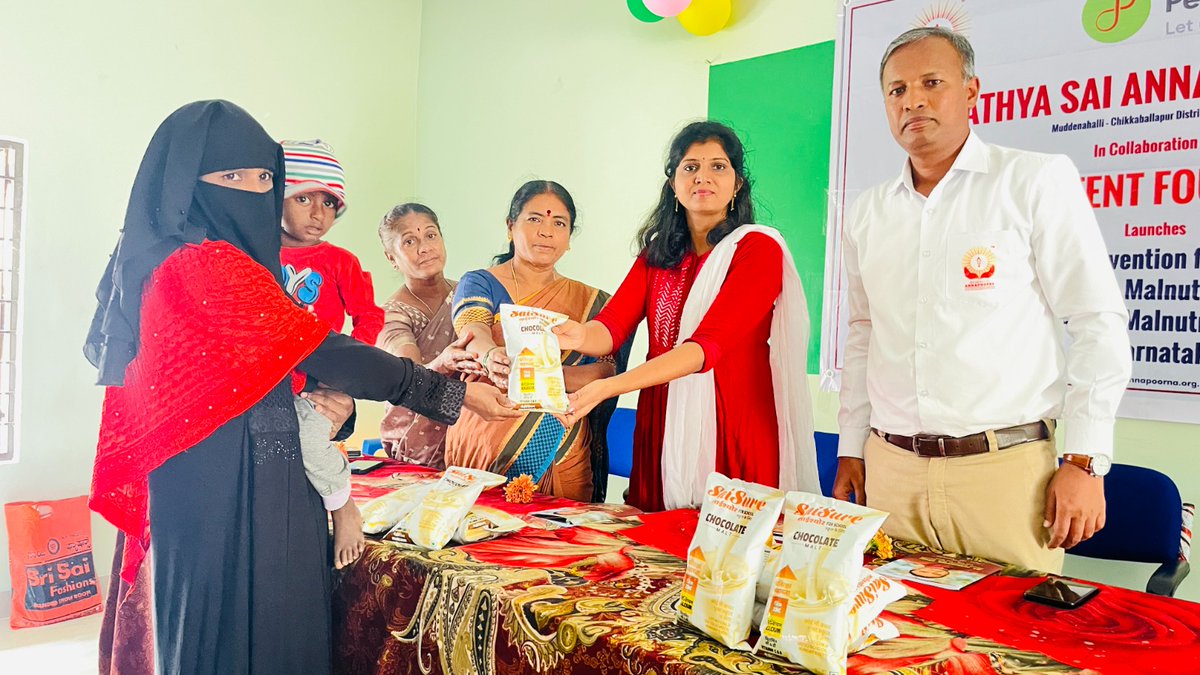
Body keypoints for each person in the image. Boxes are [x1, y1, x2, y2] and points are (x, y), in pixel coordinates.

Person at [85, 100, 518, 675]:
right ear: (188, 183)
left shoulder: (203, 261)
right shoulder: (200, 263)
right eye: (232, 177)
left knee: (270, 627)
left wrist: (393, 382)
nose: (253, 190)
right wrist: (448, 395)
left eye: (264, 177)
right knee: (228, 632)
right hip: (217, 483)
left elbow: (266, 357)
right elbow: (316, 348)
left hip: (260, 464)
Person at [832, 28, 1131, 573]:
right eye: (897, 90)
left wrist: (1085, 461)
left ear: (971, 92)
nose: (913, 100)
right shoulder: (867, 213)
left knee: (1010, 648)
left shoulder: (1033, 181)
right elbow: (863, 333)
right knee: (892, 642)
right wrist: (851, 445)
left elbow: (1096, 321)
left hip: (1004, 473)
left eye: (931, 83)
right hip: (891, 472)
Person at [554, 121, 820, 511]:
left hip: (734, 422)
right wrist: (575, 336)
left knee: (729, 553)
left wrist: (609, 388)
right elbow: (611, 327)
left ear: (737, 184)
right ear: (673, 184)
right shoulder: (659, 254)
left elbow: (704, 349)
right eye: (690, 167)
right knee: (657, 560)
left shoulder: (758, 249)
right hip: (663, 421)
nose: (703, 177)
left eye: (718, 166)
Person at [446, 180, 617, 502]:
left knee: (553, 545)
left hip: (561, 440)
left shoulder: (593, 301)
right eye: (535, 219)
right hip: (487, 429)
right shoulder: (481, 281)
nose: (546, 231)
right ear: (511, 227)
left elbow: (606, 370)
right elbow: (472, 330)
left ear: (569, 238)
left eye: (559, 223)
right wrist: (491, 355)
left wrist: (541, 376)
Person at [277, 140, 381, 569]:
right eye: (303, 198)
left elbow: (369, 317)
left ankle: (342, 506)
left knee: (308, 440)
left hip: (317, 382)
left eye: (329, 202)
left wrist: (346, 376)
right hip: (266, 383)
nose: (318, 213)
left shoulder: (341, 261)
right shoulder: (255, 255)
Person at [376, 203, 482, 467]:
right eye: (409, 241)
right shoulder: (391, 315)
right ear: (391, 257)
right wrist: (443, 363)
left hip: (474, 436)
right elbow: (410, 376)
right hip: (416, 444)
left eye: (431, 235)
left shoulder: (470, 295)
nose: (424, 248)